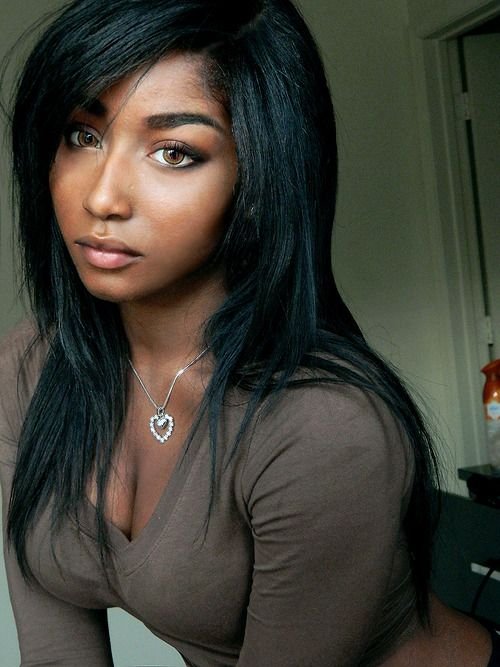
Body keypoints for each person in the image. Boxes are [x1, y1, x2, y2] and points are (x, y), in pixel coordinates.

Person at [0, 0, 496, 665]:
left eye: (174, 152)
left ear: (257, 179)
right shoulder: (30, 366)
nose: (102, 198)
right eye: (82, 135)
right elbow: (57, 653)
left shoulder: (322, 426)